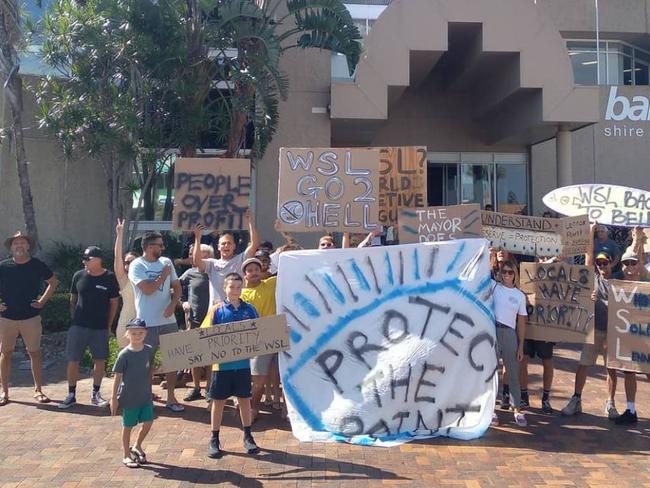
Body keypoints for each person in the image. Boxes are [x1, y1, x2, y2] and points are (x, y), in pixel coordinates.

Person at [562, 222, 622, 418]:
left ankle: (610, 403)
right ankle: (576, 399)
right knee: (583, 364)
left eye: (605, 262)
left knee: (611, 368)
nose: (602, 265)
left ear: (611, 262)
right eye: (599, 263)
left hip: (612, 332)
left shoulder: (619, 281)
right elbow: (588, 256)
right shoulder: (592, 277)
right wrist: (591, 230)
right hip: (594, 329)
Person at [202, 273, 260, 459]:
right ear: (224, 288)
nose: (235, 290)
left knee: (244, 400)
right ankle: (214, 438)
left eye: (238, 287)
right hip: (221, 366)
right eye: (231, 287)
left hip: (243, 365)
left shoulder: (250, 309)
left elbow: (262, 331)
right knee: (218, 402)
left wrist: (280, 332)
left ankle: (248, 435)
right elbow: (204, 335)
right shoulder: (216, 310)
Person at [0, 231, 57, 406]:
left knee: (34, 353)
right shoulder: (3, 266)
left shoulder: (37, 265)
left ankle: (38, 390)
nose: (19, 246)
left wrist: (41, 301)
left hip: (31, 318)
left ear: (28, 246)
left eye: (22, 243)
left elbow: (53, 282)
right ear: (11, 247)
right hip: (7, 318)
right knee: (5, 353)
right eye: (15, 243)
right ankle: (4, 392)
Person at [128, 231, 183, 412]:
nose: (162, 247)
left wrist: (173, 304)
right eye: (159, 244)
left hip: (168, 321)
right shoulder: (137, 265)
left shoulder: (166, 262)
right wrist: (162, 275)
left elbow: (177, 287)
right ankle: (145, 397)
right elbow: (148, 290)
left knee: (173, 360)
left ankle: (171, 397)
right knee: (146, 362)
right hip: (147, 323)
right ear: (149, 247)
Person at [59, 246, 120, 409]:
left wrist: (108, 324)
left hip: (99, 327)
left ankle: (96, 393)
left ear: (99, 259)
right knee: (73, 359)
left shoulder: (109, 277)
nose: (84, 261)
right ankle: (71, 394)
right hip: (78, 326)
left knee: (99, 360)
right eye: (84, 258)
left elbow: (114, 303)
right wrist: (74, 319)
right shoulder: (78, 275)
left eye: (88, 258)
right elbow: (73, 298)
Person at [612, 248, 650, 425]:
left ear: (639, 265)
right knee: (628, 371)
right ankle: (631, 409)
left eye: (633, 263)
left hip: (645, 336)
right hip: (626, 334)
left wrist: (639, 239)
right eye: (626, 263)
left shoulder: (646, 283)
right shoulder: (618, 284)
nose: (629, 266)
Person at [110, 318, 155, 468]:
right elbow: (117, 376)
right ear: (127, 334)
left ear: (145, 333)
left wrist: (150, 388)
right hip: (129, 397)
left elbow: (150, 370)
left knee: (148, 422)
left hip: (145, 395)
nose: (137, 336)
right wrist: (113, 398)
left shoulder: (149, 350)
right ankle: (126, 454)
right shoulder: (124, 355)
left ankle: (137, 445)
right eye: (134, 333)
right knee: (128, 426)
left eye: (140, 333)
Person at [193, 209, 259, 305]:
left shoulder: (241, 259)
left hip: (238, 309)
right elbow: (197, 261)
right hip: (217, 310)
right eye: (223, 244)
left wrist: (250, 222)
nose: (226, 246)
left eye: (229, 243)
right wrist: (197, 238)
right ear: (218, 247)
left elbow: (255, 244)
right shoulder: (212, 263)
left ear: (234, 246)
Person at [239, 257, 278, 420]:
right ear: (245, 275)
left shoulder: (271, 284)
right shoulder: (240, 293)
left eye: (257, 269)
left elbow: (292, 267)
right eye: (250, 270)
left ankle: (254, 408)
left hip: (269, 338)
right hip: (246, 340)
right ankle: (247, 405)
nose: (254, 272)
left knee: (259, 378)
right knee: (246, 378)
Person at [492, 259, 528, 427]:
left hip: (509, 333)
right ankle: (490, 408)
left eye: (510, 272)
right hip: (492, 330)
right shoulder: (494, 287)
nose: (507, 275)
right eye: (504, 271)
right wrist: (490, 254)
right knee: (491, 372)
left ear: (515, 274)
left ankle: (517, 409)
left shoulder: (520, 296)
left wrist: (521, 345)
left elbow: (521, 322)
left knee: (513, 372)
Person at [179, 244, 213, 401]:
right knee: (195, 356)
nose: (199, 258)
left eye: (203, 255)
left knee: (212, 356)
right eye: (197, 255)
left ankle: (210, 389)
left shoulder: (215, 272)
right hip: (194, 320)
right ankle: (196, 388)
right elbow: (175, 287)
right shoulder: (189, 273)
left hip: (213, 320)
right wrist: (182, 301)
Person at [114, 219, 139, 348]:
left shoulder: (146, 279)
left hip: (143, 324)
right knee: (124, 359)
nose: (128, 264)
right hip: (126, 323)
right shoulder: (124, 280)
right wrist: (120, 235)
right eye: (127, 262)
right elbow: (117, 258)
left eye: (132, 261)